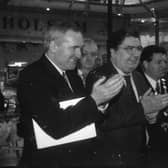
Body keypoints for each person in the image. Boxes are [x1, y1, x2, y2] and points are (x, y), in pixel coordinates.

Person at [17, 25, 124, 168]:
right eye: (74, 48)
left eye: (80, 48)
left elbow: (86, 115)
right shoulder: (33, 75)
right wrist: (95, 100)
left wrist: (102, 103)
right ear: (54, 46)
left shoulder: (71, 74)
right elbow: (56, 126)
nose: (79, 55)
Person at [86, 28, 168, 168]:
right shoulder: (100, 77)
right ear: (113, 52)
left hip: (141, 157)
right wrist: (143, 108)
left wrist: (152, 116)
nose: (135, 54)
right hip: (114, 159)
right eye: (129, 48)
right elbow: (103, 121)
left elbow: (145, 115)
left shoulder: (137, 76)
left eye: (138, 48)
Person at [139, 45, 168, 166]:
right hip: (149, 151)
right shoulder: (138, 84)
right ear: (145, 64)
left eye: (165, 62)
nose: (164, 66)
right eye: (158, 62)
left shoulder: (165, 82)